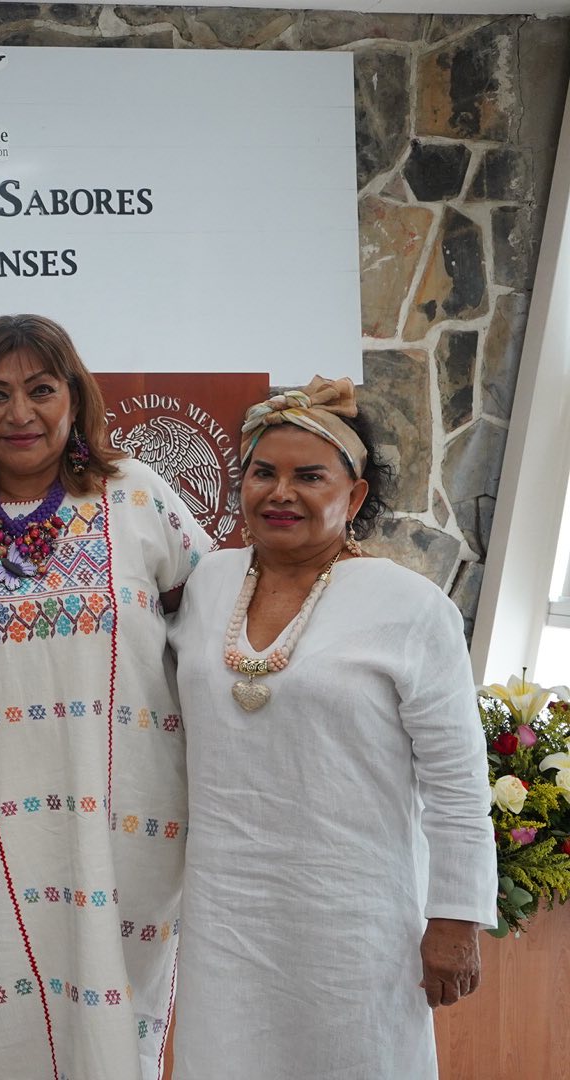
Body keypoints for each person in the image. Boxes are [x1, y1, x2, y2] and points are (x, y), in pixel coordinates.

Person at [0, 315, 210, 1080]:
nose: (20, 413)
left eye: (41, 389)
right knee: (1, 1030)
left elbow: (213, 628)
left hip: (125, 823)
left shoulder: (137, 496)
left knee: (116, 1031)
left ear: (75, 395)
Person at [169, 377, 494, 1079]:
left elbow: (458, 781)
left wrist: (456, 917)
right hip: (225, 912)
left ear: (354, 495)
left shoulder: (410, 606)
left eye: (309, 476)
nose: (280, 492)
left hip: (354, 916)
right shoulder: (209, 584)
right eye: (263, 473)